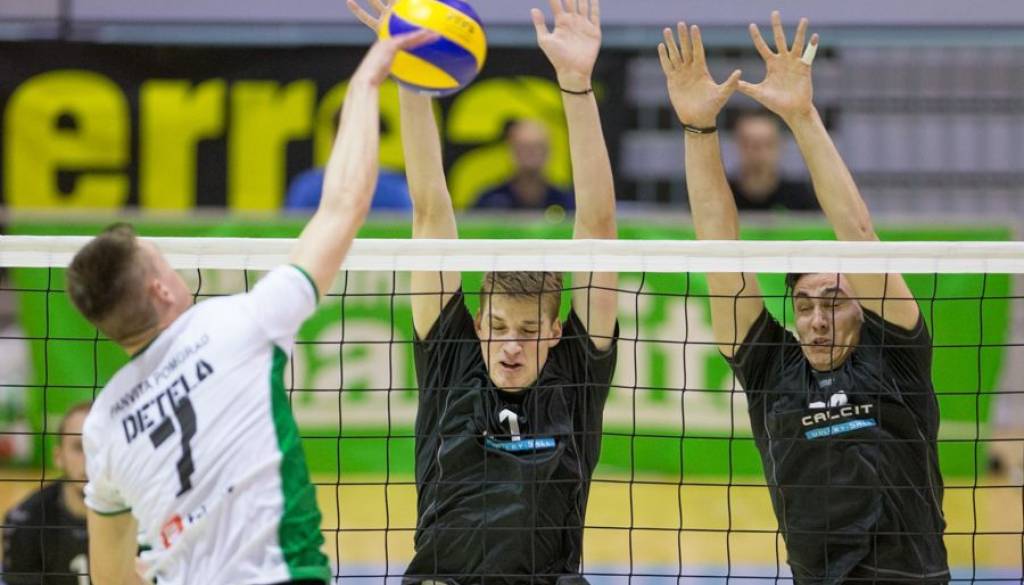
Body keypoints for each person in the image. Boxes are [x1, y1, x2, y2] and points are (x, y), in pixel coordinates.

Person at [63, 32, 433, 585]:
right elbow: (344, 205)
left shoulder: (104, 421)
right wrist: (366, 80)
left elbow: (112, 577)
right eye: (162, 259)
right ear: (160, 290)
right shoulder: (239, 325)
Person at [658, 11, 948, 584]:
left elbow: (858, 234)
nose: (816, 319)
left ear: (863, 306)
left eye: (833, 303)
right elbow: (718, 247)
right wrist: (697, 128)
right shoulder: (772, 370)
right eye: (806, 305)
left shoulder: (895, 355)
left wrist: (801, 115)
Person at [346, 0, 618, 582]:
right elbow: (429, 211)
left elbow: (597, 228)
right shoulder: (452, 361)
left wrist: (576, 84)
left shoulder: (575, 373)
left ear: (555, 331)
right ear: (476, 324)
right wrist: (409, 74)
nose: (510, 346)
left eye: (528, 331)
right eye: (497, 328)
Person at [2, 403, 91, 585]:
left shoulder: (139, 513)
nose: (90, 460)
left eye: (98, 447)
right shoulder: (26, 520)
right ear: (58, 457)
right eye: (79, 447)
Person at [285, 109, 412, 212]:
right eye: (347, 136)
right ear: (334, 139)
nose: (356, 144)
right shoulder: (308, 187)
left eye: (364, 135)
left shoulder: (395, 190)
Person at [473, 119, 574, 212]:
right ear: (511, 151)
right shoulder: (489, 201)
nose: (531, 154)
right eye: (524, 148)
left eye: (538, 147)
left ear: (548, 152)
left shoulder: (568, 202)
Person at [728, 109, 817, 211]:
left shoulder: (801, 197)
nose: (758, 151)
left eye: (766, 143)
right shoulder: (721, 194)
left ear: (780, 145)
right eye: (749, 143)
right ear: (736, 144)